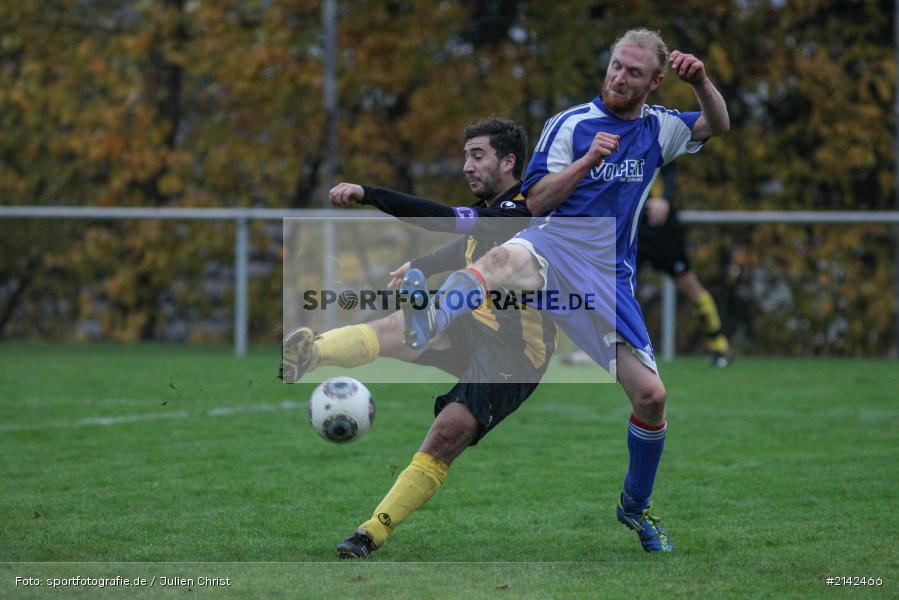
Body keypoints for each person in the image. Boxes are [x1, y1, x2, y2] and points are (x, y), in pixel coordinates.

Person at [400, 28, 730, 553]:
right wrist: (587, 162)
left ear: (655, 82)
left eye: (634, 72)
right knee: (506, 256)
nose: (620, 77)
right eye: (616, 65)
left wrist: (703, 83)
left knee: (652, 397)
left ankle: (635, 508)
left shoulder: (659, 128)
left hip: (607, 280)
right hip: (554, 249)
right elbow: (535, 204)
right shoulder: (572, 125)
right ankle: (430, 320)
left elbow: (717, 124)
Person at [281, 117, 558, 558]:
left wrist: (369, 194)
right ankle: (309, 354)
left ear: (508, 161)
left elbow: (447, 221)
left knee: (448, 432)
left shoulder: (523, 210)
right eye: (465, 155)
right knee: (399, 326)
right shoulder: (493, 213)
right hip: (474, 324)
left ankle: (372, 531)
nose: (467, 166)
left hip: (516, 353)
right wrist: (423, 266)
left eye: (478, 155)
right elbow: (464, 246)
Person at [637, 165, 732, 366]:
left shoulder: (657, 136)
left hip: (662, 228)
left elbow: (670, 170)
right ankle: (597, 349)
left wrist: (664, 199)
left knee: (688, 284)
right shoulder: (608, 140)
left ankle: (719, 346)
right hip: (631, 227)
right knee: (613, 286)